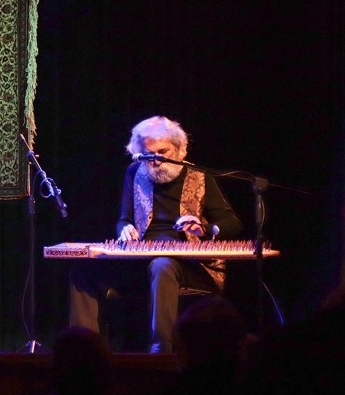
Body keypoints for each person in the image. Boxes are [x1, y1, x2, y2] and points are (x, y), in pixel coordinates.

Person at [68, 116, 242, 353]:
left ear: (180, 150)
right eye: (149, 154)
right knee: (84, 269)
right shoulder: (134, 173)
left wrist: (205, 228)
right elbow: (124, 218)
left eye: (163, 151)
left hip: (187, 264)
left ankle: (162, 353)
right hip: (140, 257)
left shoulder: (200, 176)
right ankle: (83, 353)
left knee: (162, 265)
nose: (156, 160)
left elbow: (232, 222)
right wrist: (124, 229)